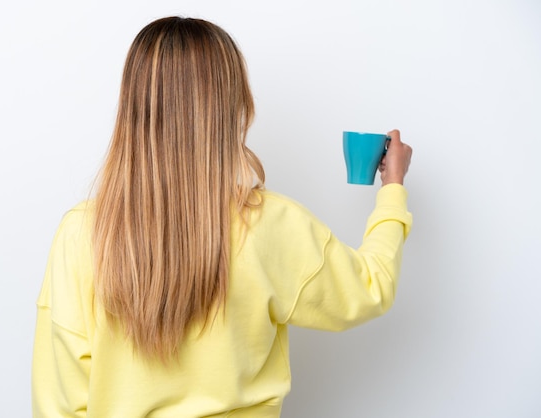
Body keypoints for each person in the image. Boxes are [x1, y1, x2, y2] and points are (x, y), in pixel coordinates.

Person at [31, 16, 413, 418]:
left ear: (133, 107)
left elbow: (58, 403)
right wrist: (393, 188)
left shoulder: (81, 234)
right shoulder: (270, 224)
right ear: (235, 106)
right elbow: (371, 287)